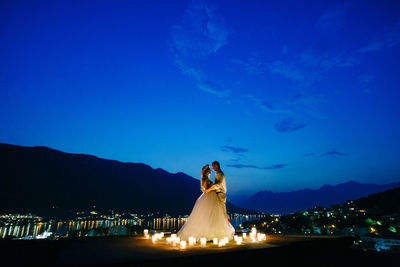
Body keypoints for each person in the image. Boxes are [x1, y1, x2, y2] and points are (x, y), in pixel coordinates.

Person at [177, 164, 235, 241]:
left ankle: (213, 232)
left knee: (214, 215)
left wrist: (210, 189)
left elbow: (210, 187)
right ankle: (211, 233)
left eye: (212, 168)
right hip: (210, 198)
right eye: (210, 170)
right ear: (207, 172)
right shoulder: (206, 179)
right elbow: (206, 189)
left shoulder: (212, 177)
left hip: (213, 197)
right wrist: (209, 189)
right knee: (211, 215)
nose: (211, 170)